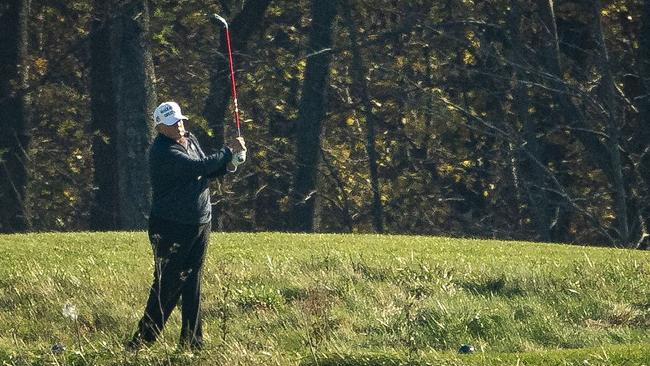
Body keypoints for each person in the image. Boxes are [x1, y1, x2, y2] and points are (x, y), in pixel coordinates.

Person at [127, 101, 247, 351]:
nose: (179, 126)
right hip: (171, 226)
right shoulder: (162, 152)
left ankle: (192, 343)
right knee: (168, 284)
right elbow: (197, 167)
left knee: (193, 283)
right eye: (172, 123)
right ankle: (141, 342)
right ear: (160, 127)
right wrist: (228, 151)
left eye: (180, 120)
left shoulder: (189, 140)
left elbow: (206, 170)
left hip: (200, 221)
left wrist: (231, 162)